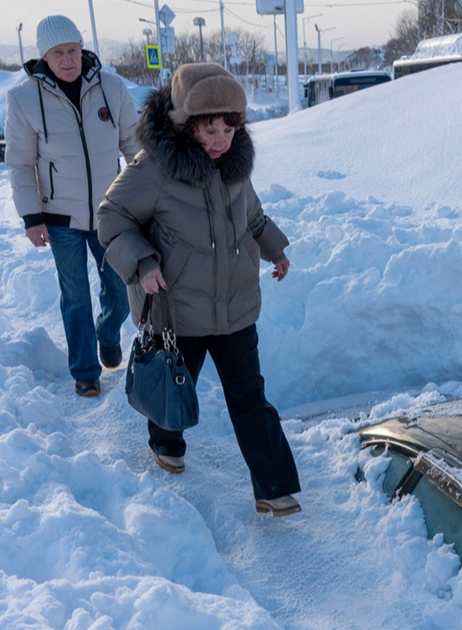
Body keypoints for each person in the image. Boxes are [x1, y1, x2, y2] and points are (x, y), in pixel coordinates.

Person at [97, 63, 302, 517]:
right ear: (186, 124)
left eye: (230, 129)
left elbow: (253, 217)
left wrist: (275, 250)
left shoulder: (234, 167)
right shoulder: (153, 169)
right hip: (178, 308)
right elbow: (110, 218)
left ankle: (273, 486)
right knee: (174, 383)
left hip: (235, 306)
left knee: (250, 398)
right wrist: (144, 262)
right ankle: (165, 440)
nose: (221, 140)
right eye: (211, 129)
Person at [6, 15, 140, 397]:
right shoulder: (23, 99)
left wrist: (151, 196)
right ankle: (85, 371)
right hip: (59, 218)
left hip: (109, 213)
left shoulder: (111, 89)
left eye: (74, 50)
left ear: (82, 49)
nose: (68, 60)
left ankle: (108, 332)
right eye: (59, 53)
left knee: (119, 287)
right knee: (76, 294)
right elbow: (19, 163)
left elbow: (134, 145)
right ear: (44, 57)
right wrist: (31, 217)